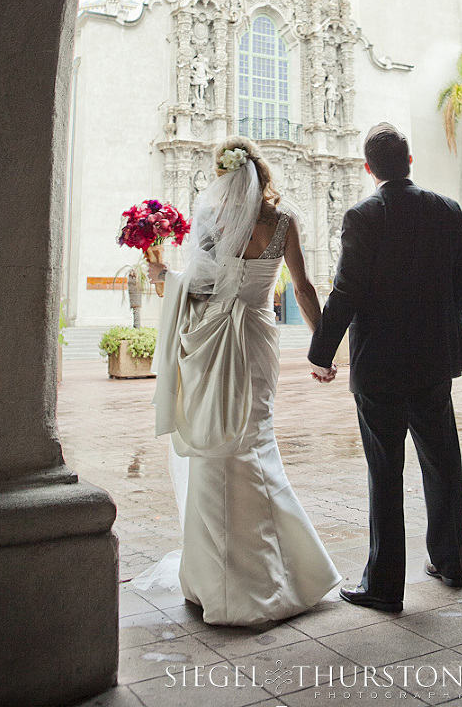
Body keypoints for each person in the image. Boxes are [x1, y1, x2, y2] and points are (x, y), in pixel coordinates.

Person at [145, 136, 340, 625]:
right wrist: (323, 351)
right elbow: (303, 287)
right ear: (262, 170)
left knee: (215, 450)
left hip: (214, 340)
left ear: (223, 174)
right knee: (256, 442)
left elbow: (198, 287)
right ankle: (283, 573)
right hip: (256, 338)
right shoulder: (284, 223)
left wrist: (160, 277)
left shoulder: (214, 223)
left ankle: (216, 581)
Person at [308, 122, 462, 612]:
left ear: (368, 168)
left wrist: (322, 353)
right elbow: (461, 282)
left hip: (378, 362)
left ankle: (384, 586)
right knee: (442, 461)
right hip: (433, 360)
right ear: (409, 162)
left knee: (386, 470)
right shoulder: (447, 209)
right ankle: (450, 562)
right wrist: (438, 328)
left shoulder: (364, 215)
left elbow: (346, 290)